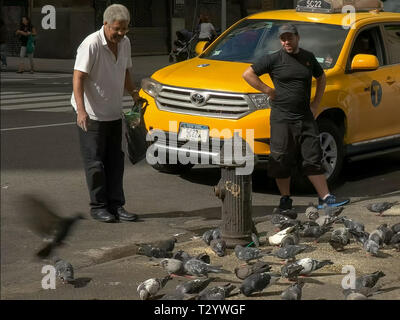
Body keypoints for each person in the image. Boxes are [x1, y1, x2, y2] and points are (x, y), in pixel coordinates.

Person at [242, 23, 350, 213]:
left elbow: (321, 77)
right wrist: (268, 90)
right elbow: (248, 74)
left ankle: (325, 198)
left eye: (289, 38)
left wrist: (316, 104)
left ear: (297, 37)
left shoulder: (308, 58)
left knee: (313, 157)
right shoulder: (274, 59)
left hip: (305, 117)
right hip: (282, 118)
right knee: (281, 159)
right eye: (283, 39)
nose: (286, 42)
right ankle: (285, 199)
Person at [71, 4, 140, 223]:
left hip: (113, 112)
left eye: (125, 29)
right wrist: (81, 111)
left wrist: (134, 94)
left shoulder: (125, 43)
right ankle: (99, 206)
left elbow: (125, 71)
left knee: (115, 162)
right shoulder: (90, 44)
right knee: (95, 164)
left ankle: (117, 205)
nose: (121, 34)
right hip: (92, 115)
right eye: (117, 29)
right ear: (106, 24)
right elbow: (78, 77)